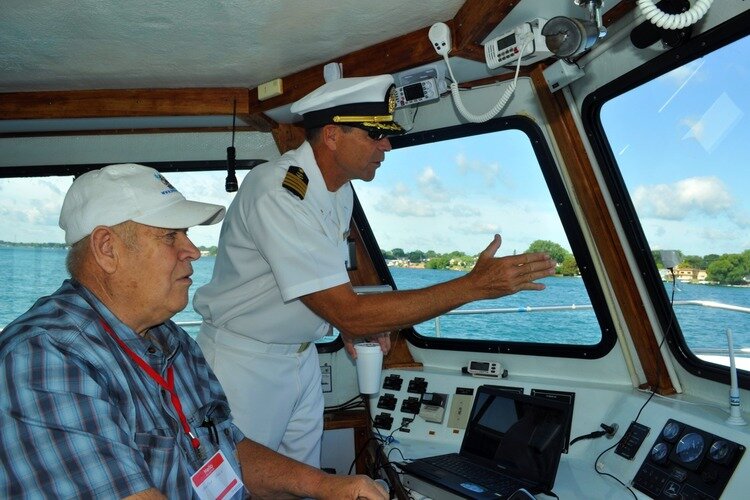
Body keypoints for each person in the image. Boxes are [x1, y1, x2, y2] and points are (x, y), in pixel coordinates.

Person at [193, 74, 557, 468]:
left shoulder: (340, 191)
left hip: (299, 358)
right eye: (374, 135)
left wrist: (349, 326)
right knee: (240, 484)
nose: (386, 145)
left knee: (299, 483)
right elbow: (346, 308)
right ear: (332, 135)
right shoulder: (280, 193)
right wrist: (474, 286)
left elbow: (326, 283)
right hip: (245, 364)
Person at [0, 164, 387, 500]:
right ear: (107, 249)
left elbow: (229, 449)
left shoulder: (171, 340)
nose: (193, 250)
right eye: (170, 236)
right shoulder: (44, 358)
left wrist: (325, 487)